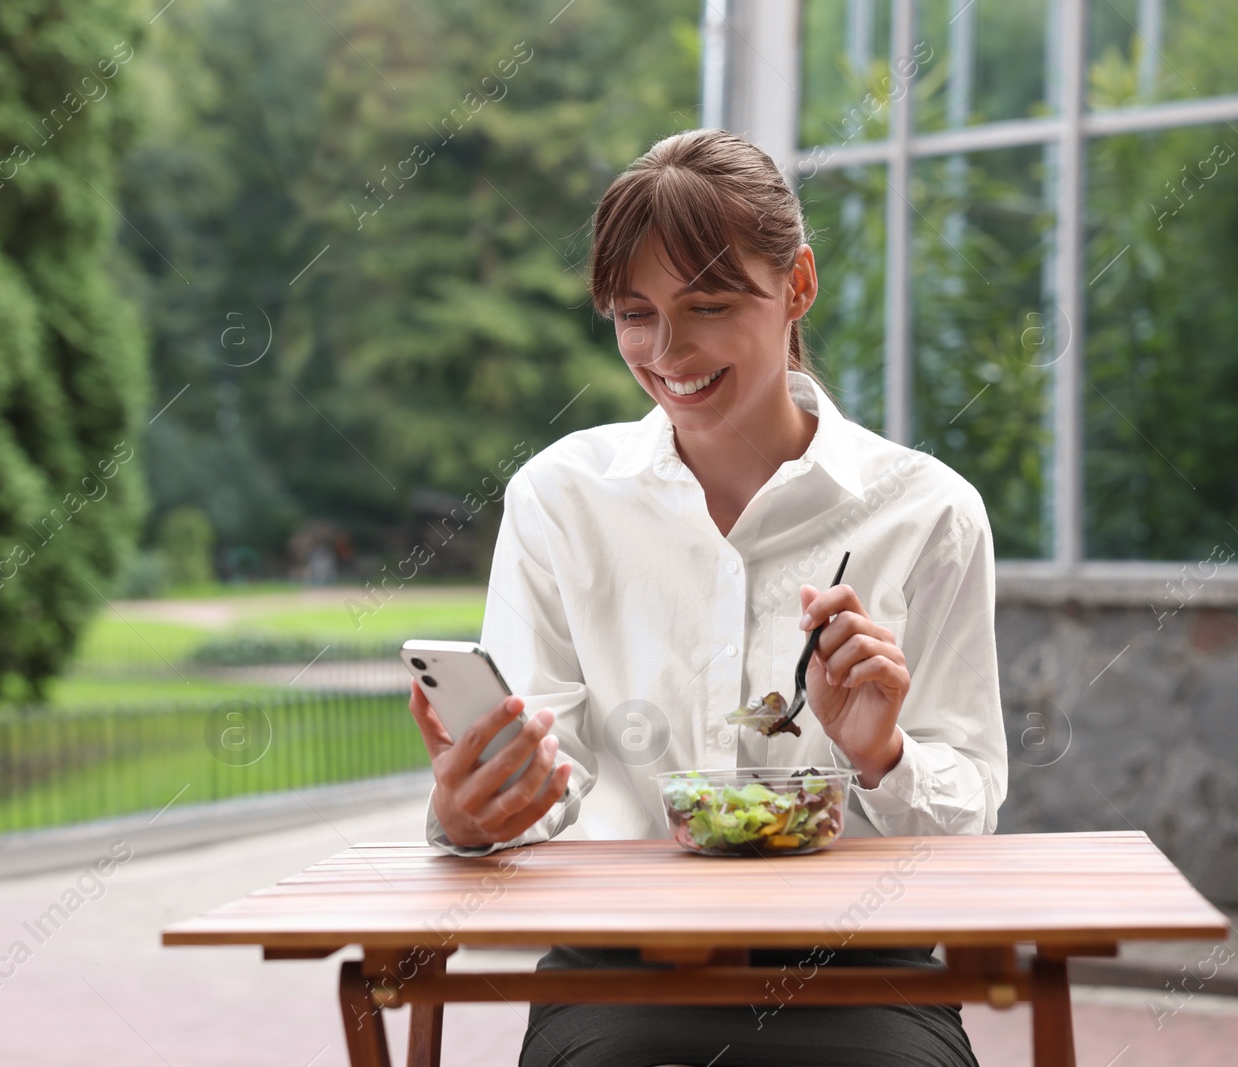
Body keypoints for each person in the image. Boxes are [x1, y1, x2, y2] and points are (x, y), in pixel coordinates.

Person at [405, 129, 1007, 1067]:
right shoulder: (560, 498)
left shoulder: (929, 513)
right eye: (633, 312)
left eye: (709, 305)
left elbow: (970, 823)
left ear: (797, 285)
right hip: (620, 974)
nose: (666, 350)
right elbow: (543, 773)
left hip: (863, 972)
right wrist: (473, 815)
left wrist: (881, 752)